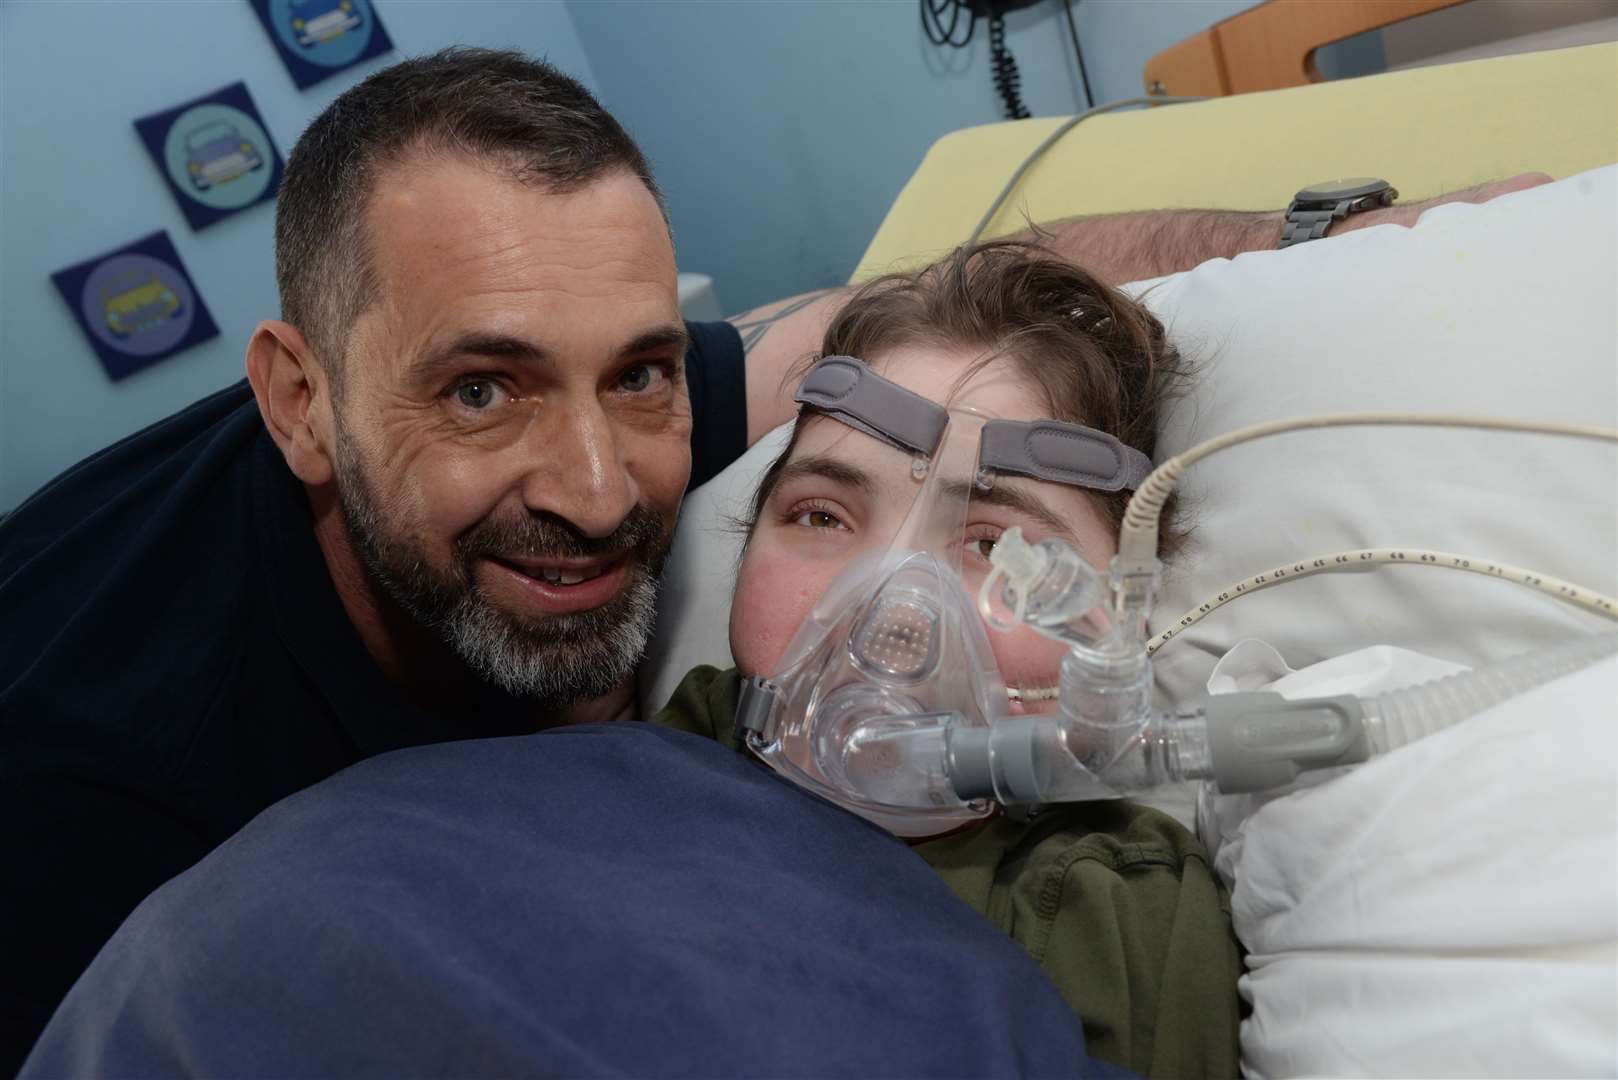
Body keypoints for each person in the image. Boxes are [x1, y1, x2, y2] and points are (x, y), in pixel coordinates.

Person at [0, 38, 1543, 1067]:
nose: (604, 494)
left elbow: (895, 315)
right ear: (303, 402)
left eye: (644, 374)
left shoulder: (1114, 913)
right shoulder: (94, 788)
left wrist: (1327, 239)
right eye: (485, 388)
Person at [648, 240, 1241, 1078]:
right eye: (821, 517)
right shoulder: (626, 771)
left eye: (996, 549)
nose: (889, 610)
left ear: (1113, 622)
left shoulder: (1110, 906)